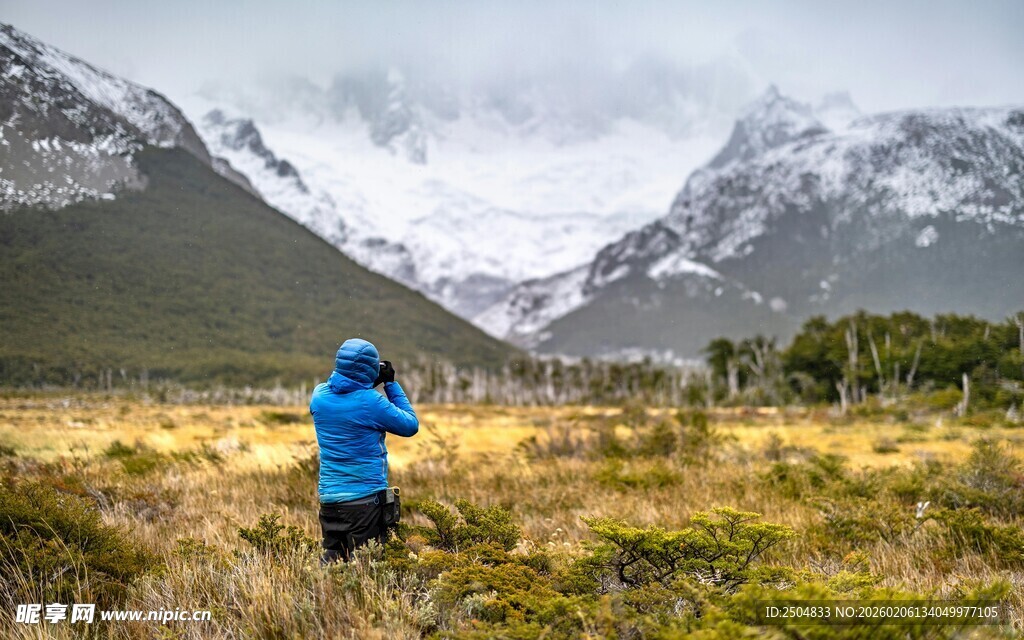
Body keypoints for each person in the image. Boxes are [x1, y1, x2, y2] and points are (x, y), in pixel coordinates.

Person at [310, 338, 419, 562]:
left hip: (329, 500)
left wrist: (366, 381)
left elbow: (346, 396)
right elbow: (410, 425)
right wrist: (390, 384)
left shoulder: (319, 395)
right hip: (365, 502)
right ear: (370, 369)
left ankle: (323, 596)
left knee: (333, 561)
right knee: (368, 568)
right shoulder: (370, 401)